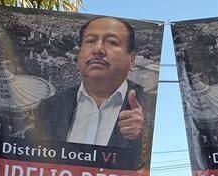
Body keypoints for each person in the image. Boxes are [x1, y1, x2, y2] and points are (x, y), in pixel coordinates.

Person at [28, 16, 147, 153]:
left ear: (131, 59)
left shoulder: (150, 108)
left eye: (112, 42)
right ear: (78, 55)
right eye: (90, 41)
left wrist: (143, 135)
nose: (98, 49)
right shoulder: (49, 107)